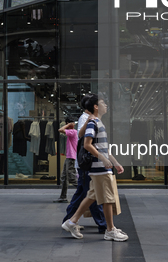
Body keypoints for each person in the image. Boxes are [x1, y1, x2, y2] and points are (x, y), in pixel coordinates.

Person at [62, 94, 128, 242]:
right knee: (108, 199)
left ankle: (71, 222)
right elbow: (87, 144)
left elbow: (103, 148)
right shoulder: (93, 123)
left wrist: (115, 162)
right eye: (103, 103)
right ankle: (109, 230)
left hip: (100, 166)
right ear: (96, 107)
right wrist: (104, 159)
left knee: (91, 196)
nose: (106, 105)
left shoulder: (97, 122)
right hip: (99, 167)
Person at [62, 94, 107, 233]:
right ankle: (104, 224)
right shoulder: (86, 118)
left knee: (84, 193)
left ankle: (69, 220)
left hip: (86, 163)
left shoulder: (91, 119)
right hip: (87, 163)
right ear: (93, 106)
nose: (104, 105)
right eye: (101, 103)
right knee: (91, 193)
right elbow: (82, 138)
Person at [53, 118, 78, 203]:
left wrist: (68, 125)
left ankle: (88, 193)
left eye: (73, 123)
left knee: (72, 178)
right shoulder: (73, 132)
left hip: (72, 157)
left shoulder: (73, 132)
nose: (73, 124)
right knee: (64, 177)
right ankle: (63, 197)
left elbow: (60, 130)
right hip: (69, 157)